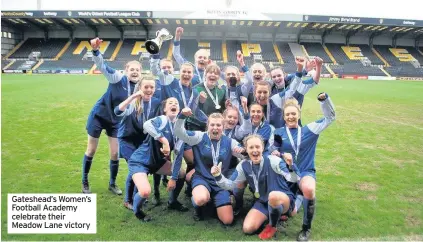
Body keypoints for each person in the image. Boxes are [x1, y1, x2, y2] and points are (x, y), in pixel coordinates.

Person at [271, 93, 336, 241]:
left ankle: (306, 229)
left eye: (293, 114)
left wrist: (325, 101)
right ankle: (297, 195)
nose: (291, 117)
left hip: (305, 172)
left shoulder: (310, 129)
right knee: (291, 212)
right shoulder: (279, 133)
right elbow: (273, 151)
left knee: (309, 189)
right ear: (284, 116)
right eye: (287, 114)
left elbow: (330, 118)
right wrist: (280, 155)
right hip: (287, 174)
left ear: (299, 114)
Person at [81, 37, 141, 194]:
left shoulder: (139, 89)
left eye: (137, 70)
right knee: (91, 150)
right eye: (132, 69)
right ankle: (85, 181)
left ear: (141, 73)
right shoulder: (118, 78)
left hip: (115, 122)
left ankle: (112, 184)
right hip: (99, 116)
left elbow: (130, 111)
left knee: (115, 153)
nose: (135, 72)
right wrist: (95, 50)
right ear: (126, 71)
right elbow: (102, 66)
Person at [211, 134, 299, 240]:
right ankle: (275, 214)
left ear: (262, 148)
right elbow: (229, 185)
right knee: (248, 228)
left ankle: (273, 224)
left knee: (273, 196)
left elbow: (293, 178)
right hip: (262, 201)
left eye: (257, 147)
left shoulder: (274, 160)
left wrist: (290, 165)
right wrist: (218, 176)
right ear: (246, 150)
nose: (255, 150)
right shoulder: (243, 165)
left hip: (282, 199)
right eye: (251, 147)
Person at [174, 112, 245, 225]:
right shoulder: (199, 137)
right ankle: (199, 207)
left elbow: (244, 155)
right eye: (212, 125)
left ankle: (212, 203)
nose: (215, 128)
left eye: (218, 125)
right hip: (202, 178)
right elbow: (179, 132)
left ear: (223, 126)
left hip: (221, 182)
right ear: (208, 125)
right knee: (200, 198)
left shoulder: (230, 142)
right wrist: (182, 116)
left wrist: (243, 152)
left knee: (228, 220)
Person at [128, 97, 189, 222]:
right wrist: (164, 140)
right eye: (170, 103)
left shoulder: (180, 130)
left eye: (176, 103)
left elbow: (178, 156)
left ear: (179, 109)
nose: (174, 104)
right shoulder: (162, 120)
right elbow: (147, 124)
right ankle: (137, 211)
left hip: (158, 163)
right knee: (145, 192)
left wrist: (173, 178)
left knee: (181, 174)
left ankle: (172, 202)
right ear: (165, 109)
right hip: (140, 161)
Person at [114, 77, 160, 210]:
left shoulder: (156, 102)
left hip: (142, 140)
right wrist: (133, 97)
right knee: (135, 168)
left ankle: (137, 196)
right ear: (140, 87)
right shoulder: (133, 102)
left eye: (152, 87)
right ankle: (128, 200)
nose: (149, 90)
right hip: (127, 139)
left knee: (140, 168)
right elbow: (117, 111)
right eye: (146, 87)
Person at [186, 64, 226, 131]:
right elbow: (192, 110)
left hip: (213, 125)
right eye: (210, 72)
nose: (213, 75)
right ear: (205, 75)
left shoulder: (221, 91)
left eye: (216, 73)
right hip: (196, 125)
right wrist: (200, 102)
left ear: (219, 77)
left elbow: (221, 109)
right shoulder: (195, 89)